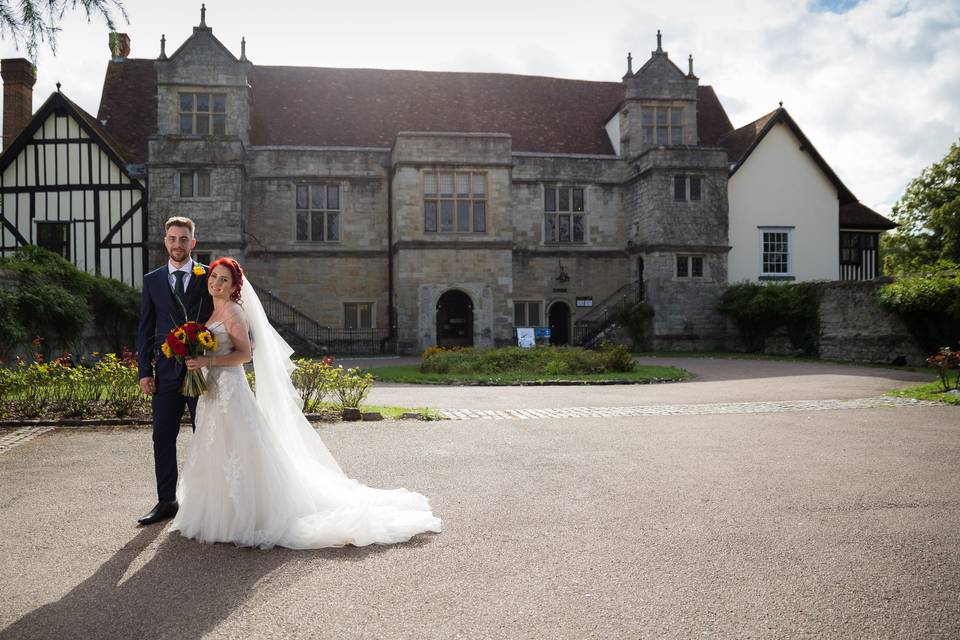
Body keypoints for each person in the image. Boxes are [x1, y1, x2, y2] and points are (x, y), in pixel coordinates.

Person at [170, 257, 441, 548]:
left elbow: (245, 355)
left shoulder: (235, 312)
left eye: (224, 279)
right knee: (216, 448)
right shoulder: (213, 311)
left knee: (239, 449)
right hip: (213, 392)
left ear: (236, 285)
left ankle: (249, 515)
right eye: (214, 278)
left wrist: (208, 360)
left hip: (231, 392)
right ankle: (217, 512)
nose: (216, 283)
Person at [136, 217, 213, 526]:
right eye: (172, 239)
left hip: (202, 376)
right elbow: (146, 328)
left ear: (193, 243)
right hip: (165, 374)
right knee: (162, 437)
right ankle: (166, 500)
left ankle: (208, 501)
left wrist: (207, 355)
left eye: (184, 239)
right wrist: (144, 371)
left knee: (207, 437)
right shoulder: (152, 280)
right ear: (165, 241)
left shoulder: (208, 277)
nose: (177, 244)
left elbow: (219, 320)